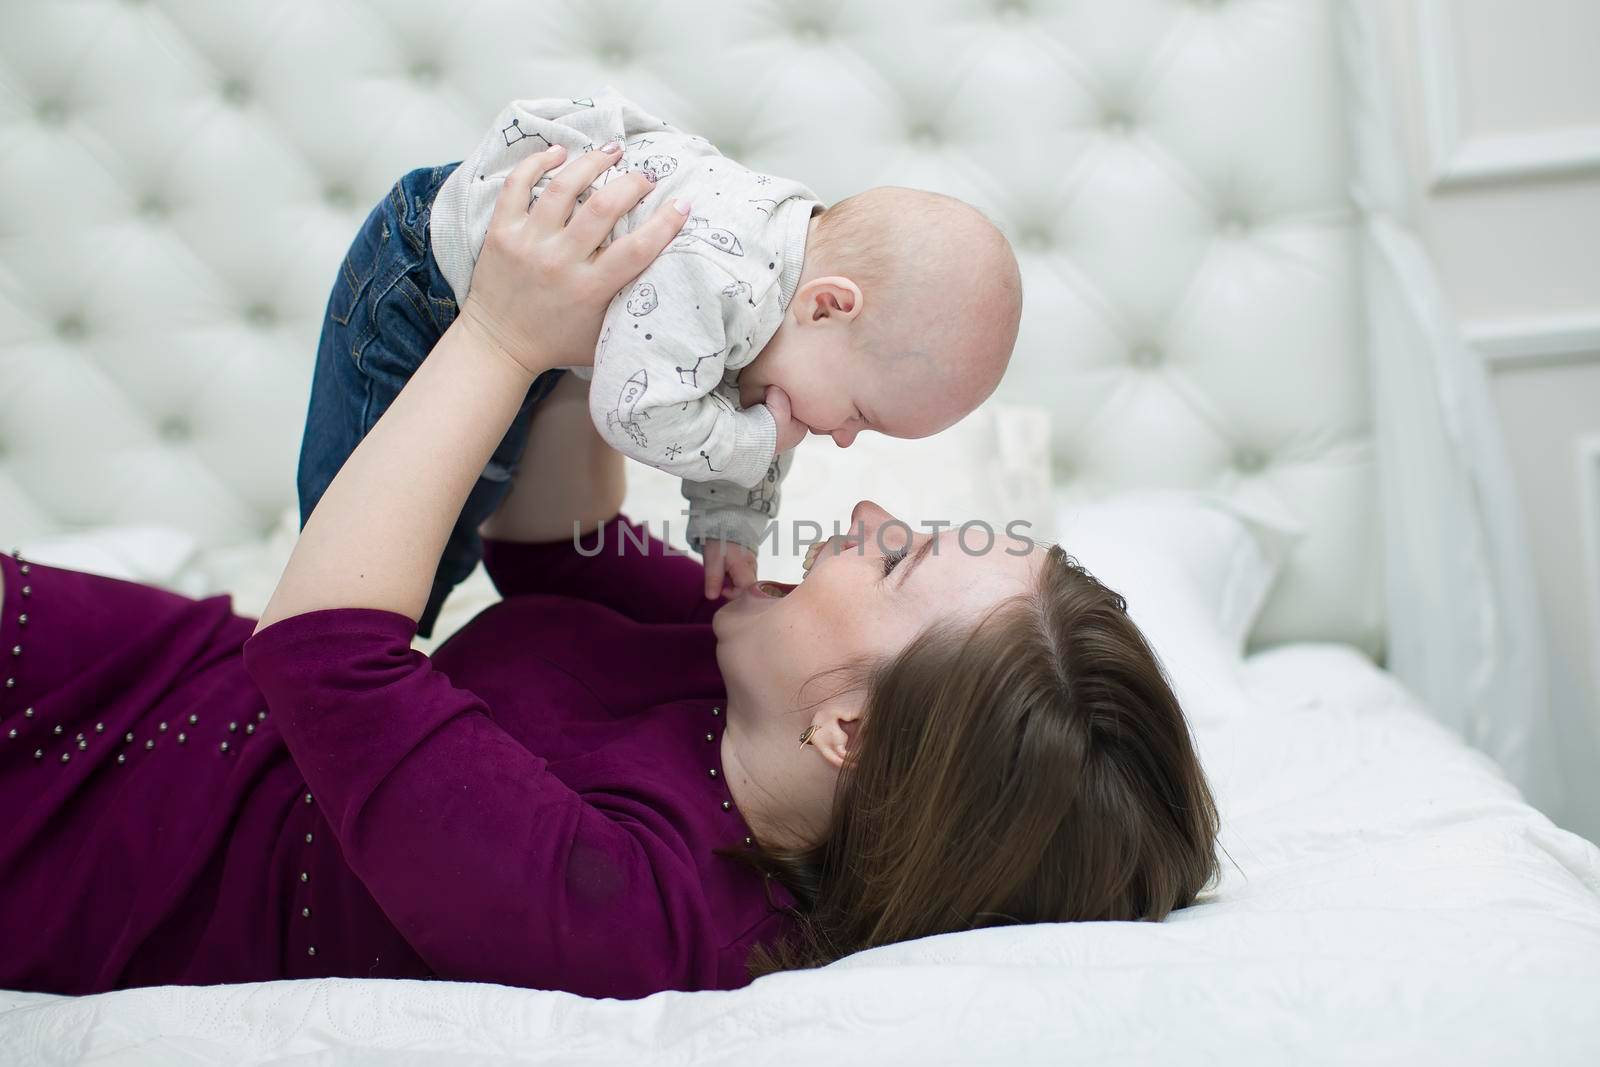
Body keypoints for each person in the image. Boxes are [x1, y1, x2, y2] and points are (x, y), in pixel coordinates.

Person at [0, 145, 1219, 999]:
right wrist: (636, 321)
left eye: (895, 560)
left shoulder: (635, 901)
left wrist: (501, 335)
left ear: (850, 725)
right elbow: (547, 549)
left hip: (78, 829)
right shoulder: (736, 656)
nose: (863, 512)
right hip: (142, 667)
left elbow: (324, 648)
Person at [298, 89, 1023, 632]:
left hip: (524, 334)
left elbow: (737, 414)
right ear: (830, 306)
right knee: (361, 522)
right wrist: (756, 443)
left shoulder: (787, 305)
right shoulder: (716, 272)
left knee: (464, 504)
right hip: (421, 284)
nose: (839, 436)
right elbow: (636, 409)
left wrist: (730, 530)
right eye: (862, 416)